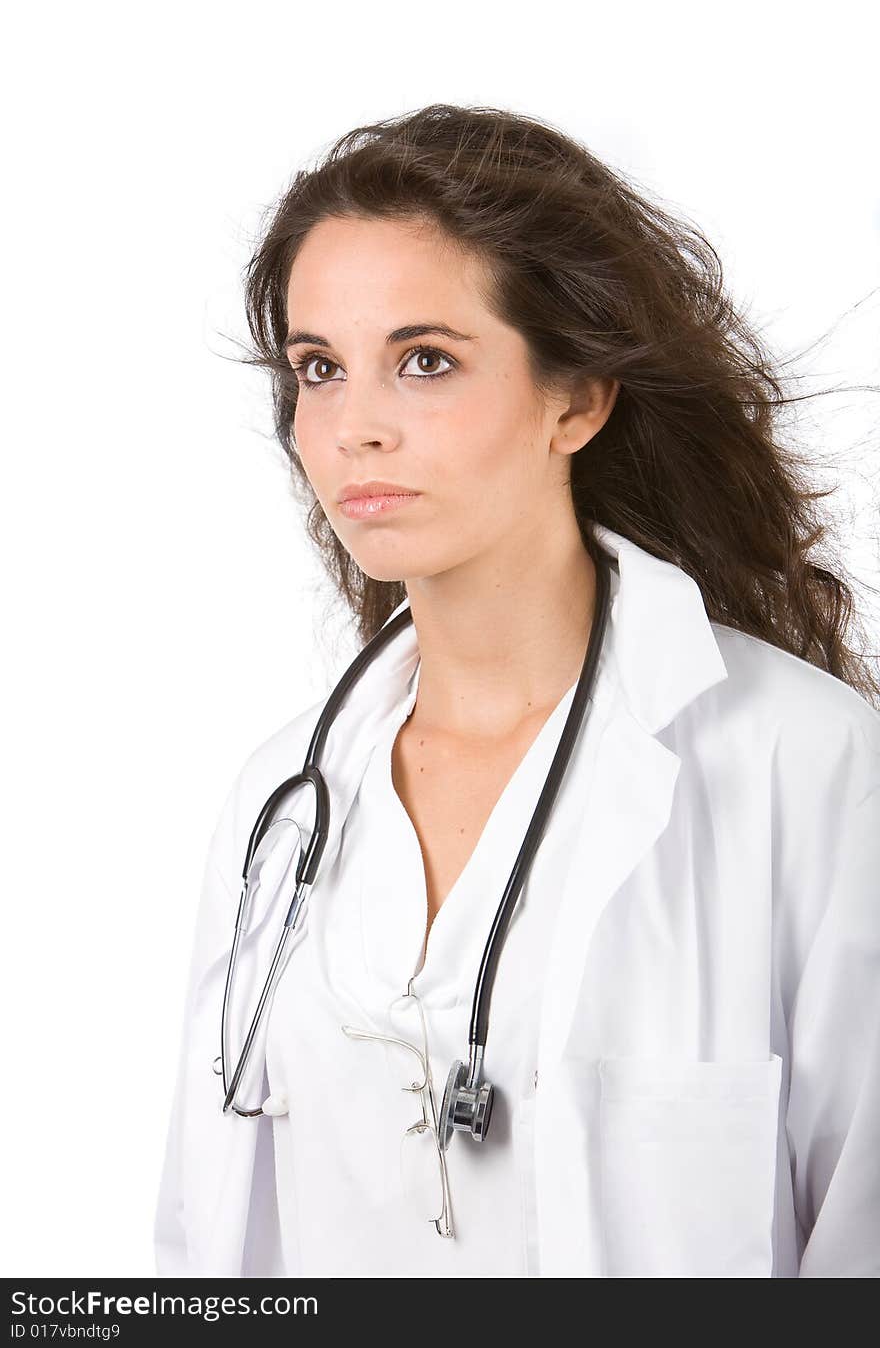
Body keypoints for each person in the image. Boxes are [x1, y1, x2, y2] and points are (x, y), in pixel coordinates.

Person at [154, 103, 880, 1278]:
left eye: (424, 361)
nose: (354, 430)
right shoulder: (282, 802)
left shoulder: (806, 767)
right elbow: (206, 1254)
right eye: (319, 370)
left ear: (576, 399)